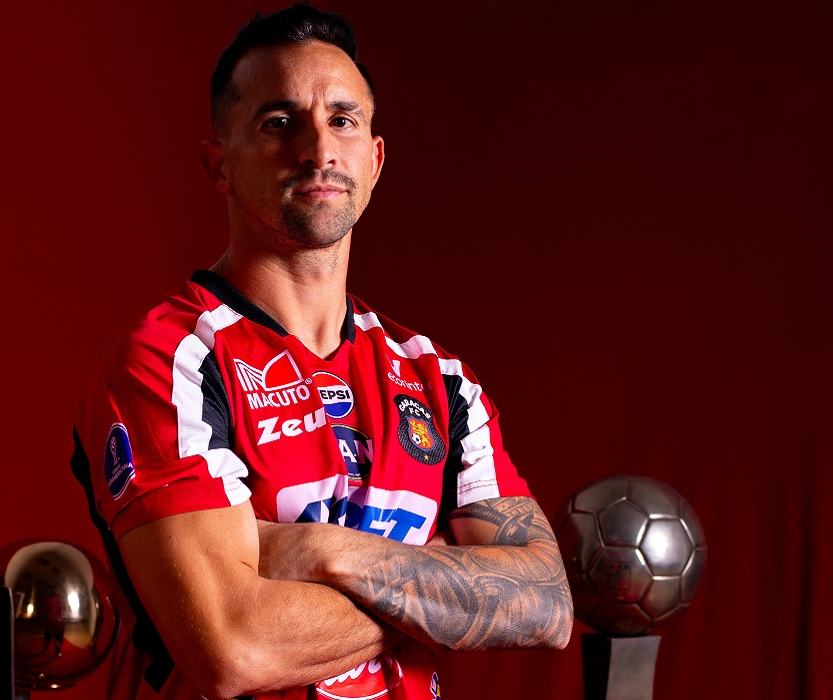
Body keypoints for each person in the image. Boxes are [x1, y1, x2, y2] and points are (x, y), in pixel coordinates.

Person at [71, 5, 573, 699]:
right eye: (278, 123)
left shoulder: (438, 379)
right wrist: (442, 581)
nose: (318, 149)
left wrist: (313, 551)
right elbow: (235, 649)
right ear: (219, 165)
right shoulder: (169, 361)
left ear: (375, 159)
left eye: (342, 120)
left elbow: (547, 603)